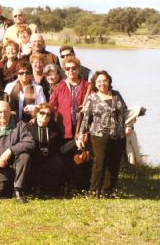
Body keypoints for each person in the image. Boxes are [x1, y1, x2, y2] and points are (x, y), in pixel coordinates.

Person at [78, 71, 130, 198]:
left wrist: (129, 126)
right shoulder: (92, 98)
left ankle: (108, 191)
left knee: (114, 162)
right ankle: (94, 191)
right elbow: (86, 118)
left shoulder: (117, 95)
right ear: (95, 84)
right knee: (100, 162)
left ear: (109, 82)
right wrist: (81, 134)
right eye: (99, 81)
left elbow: (125, 113)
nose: (102, 83)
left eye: (105, 80)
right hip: (99, 135)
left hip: (118, 135)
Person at [0, 101, 34, 203]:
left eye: (5, 111)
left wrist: (11, 150)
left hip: (16, 164)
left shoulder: (20, 124)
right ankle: (9, 185)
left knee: (25, 155)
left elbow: (29, 142)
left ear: (10, 112)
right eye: (0, 112)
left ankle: (18, 189)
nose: (3, 114)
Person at [49, 56, 91, 190]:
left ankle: (83, 185)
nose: (71, 71)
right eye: (68, 68)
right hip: (64, 128)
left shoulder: (87, 86)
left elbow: (95, 103)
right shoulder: (60, 86)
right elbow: (52, 106)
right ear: (64, 70)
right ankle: (66, 184)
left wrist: (88, 107)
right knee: (66, 156)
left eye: (74, 68)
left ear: (78, 69)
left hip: (82, 128)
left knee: (82, 156)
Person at [26, 103, 64, 196]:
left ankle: (52, 190)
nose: (45, 116)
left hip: (50, 156)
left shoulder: (54, 128)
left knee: (57, 161)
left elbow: (60, 146)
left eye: (48, 114)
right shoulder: (28, 127)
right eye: (42, 113)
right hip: (34, 155)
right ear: (36, 114)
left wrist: (75, 142)